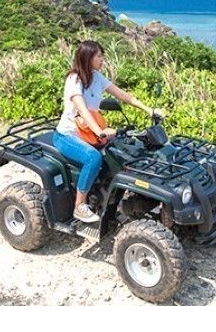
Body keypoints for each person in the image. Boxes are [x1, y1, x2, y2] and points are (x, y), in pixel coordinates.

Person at [53, 40, 163, 223]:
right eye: (99, 56)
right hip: (68, 135)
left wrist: (149, 110)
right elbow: (82, 109)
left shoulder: (97, 77)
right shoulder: (74, 80)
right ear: (87, 58)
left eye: (102, 56)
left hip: (88, 134)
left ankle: (112, 201)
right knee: (92, 158)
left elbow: (123, 95)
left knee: (124, 154)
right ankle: (79, 206)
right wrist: (99, 131)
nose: (102, 59)